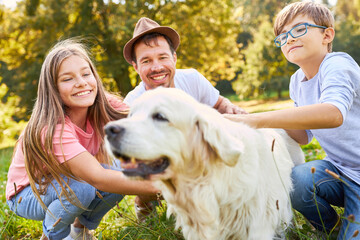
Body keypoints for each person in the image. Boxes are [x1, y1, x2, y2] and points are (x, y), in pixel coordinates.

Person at [225, 1, 360, 239]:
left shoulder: (338, 64)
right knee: (296, 181)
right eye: (282, 36)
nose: (288, 39)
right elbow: (303, 136)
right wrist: (248, 119)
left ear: (327, 35)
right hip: (341, 172)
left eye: (299, 30)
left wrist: (257, 120)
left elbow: (333, 114)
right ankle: (333, 227)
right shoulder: (297, 80)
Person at [5, 39, 159, 240]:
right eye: (67, 79)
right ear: (53, 88)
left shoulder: (103, 104)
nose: (81, 82)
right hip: (26, 195)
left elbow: (143, 126)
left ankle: (80, 231)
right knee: (85, 187)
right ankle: (53, 236)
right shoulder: (52, 129)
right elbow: (97, 178)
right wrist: (163, 185)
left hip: (67, 182)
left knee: (121, 176)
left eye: (86, 74)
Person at [122, 17, 247, 114]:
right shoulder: (131, 106)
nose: (157, 67)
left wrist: (228, 106)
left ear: (174, 58)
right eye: (146, 61)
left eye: (163, 57)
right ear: (136, 67)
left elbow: (219, 104)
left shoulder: (192, 80)